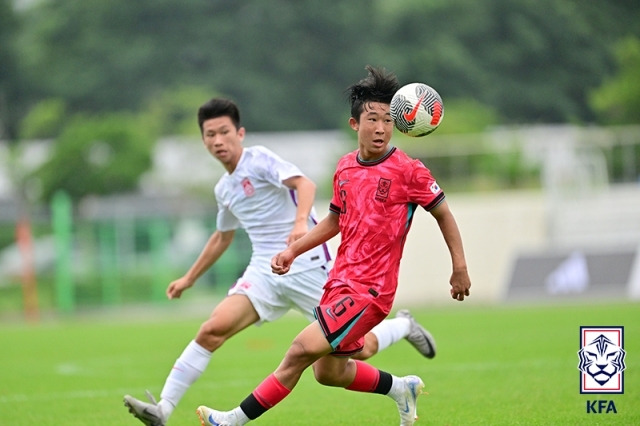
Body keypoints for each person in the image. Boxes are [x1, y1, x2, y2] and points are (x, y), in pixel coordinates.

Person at [123, 98, 438, 426]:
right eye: (210, 135)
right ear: (203, 140)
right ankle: (163, 409)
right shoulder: (224, 188)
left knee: (358, 351)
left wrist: (301, 222)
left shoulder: (259, 160)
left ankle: (403, 327)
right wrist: (189, 278)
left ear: (240, 133)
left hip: (308, 266)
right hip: (265, 270)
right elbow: (222, 237)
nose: (218, 140)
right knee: (211, 330)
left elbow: (305, 183)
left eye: (224, 132)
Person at [196, 67, 471, 426]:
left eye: (389, 121)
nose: (381, 128)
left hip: (371, 291)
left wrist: (459, 267)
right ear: (355, 124)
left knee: (298, 352)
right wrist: (293, 250)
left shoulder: (408, 171)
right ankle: (401, 386)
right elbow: (334, 221)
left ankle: (231, 420)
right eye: (372, 119)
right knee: (328, 371)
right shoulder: (344, 168)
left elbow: (444, 214)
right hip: (339, 282)